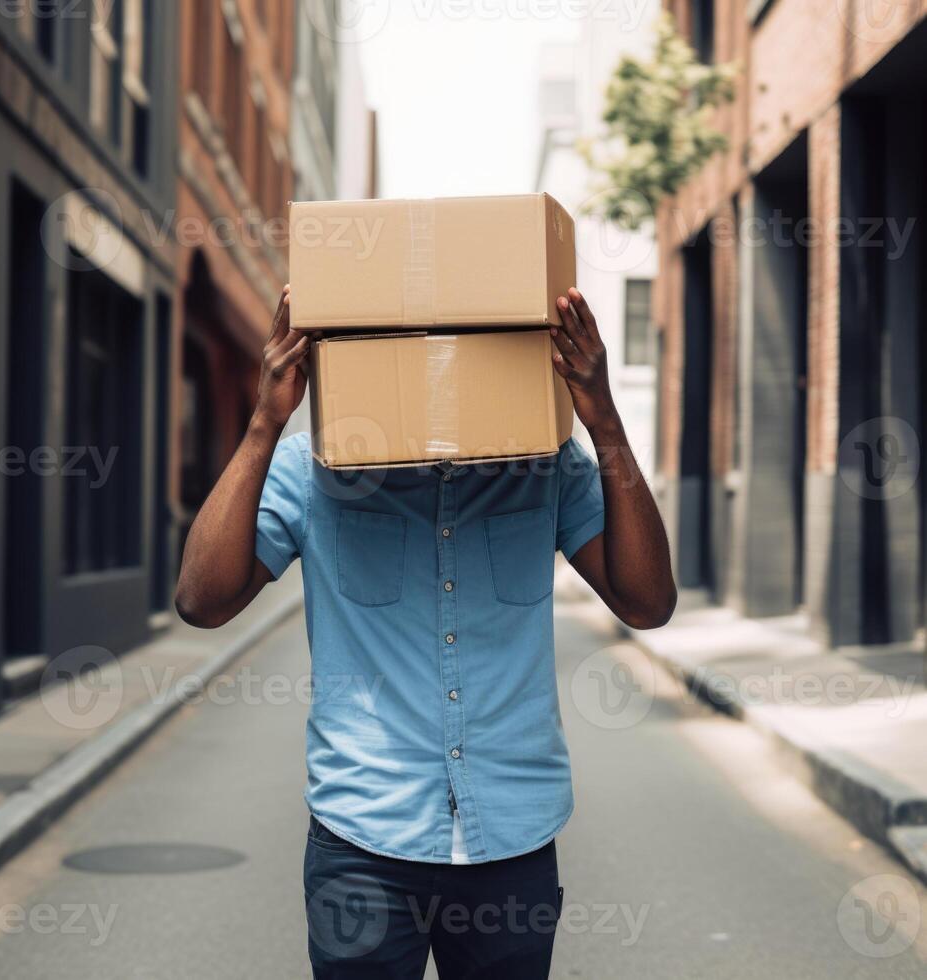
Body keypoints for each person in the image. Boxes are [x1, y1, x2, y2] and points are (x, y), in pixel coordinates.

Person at [176, 284, 677, 979]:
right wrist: (266, 421)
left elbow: (648, 603)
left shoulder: (548, 468)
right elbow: (202, 600)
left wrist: (605, 421)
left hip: (513, 839)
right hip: (363, 839)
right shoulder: (311, 471)